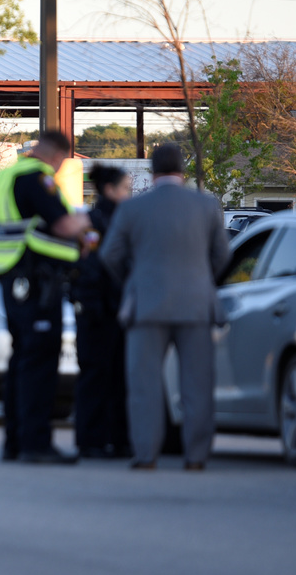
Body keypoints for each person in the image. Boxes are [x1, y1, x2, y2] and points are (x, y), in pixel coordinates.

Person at [98, 143, 230, 471]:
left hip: (147, 305)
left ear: (151, 170)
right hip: (196, 305)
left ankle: (146, 454)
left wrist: (135, 278)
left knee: (144, 384)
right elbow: (222, 255)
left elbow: (109, 255)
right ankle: (196, 455)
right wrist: (202, 277)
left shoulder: (132, 209)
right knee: (197, 385)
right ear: (182, 170)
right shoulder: (207, 205)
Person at [0, 131, 92, 465]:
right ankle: (35, 443)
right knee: (39, 362)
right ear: (58, 155)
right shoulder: (37, 179)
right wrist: (91, 224)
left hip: (11, 276)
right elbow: (62, 225)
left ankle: (14, 442)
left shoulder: (6, 176)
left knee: (22, 359)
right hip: (34, 278)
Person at [71, 164, 132, 459]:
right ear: (109, 190)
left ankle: (119, 439)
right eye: (126, 189)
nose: (129, 195)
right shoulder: (94, 222)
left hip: (118, 310)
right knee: (95, 375)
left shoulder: (122, 219)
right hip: (97, 312)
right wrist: (92, 306)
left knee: (120, 377)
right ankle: (91, 440)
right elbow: (88, 268)